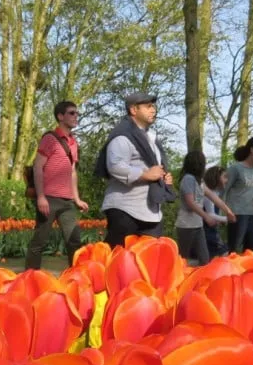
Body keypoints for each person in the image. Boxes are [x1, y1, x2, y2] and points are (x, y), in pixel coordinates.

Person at [96, 91, 176, 247]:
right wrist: (145, 174)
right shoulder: (122, 136)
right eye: (148, 106)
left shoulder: (151, 138)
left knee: (149, 261)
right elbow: (115, 166)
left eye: (153, 106)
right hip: (124, 209)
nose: (153, 110)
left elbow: (155, 167)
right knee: (118, 260)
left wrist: (163, 177)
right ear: (133, 110)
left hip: (151, 211)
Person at [25, 101, 89, 269]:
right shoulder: (50, 139)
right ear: (60, 116)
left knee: (74, 241)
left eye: (77, 113)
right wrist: (40, 197)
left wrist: (77, 198)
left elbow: (72, 172)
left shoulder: (74, 143)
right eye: (72, 113)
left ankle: (76, 279)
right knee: (39, 241)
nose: (76, 116)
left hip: (67, 202)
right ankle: (29, 280)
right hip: (49, 199)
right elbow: (38, 166)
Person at [175, 149, 235, 265]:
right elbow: (190, 202)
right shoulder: (188, 179)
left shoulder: (200, 182)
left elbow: (213, 197)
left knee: (205, 258)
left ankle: (204, 281)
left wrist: (228, 211)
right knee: (183, 258)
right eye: (203, 163)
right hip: (186, 225)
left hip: (198, 225)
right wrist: (206, 216)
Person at [224, 136, 253, 254]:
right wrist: (225, 213)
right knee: (234, 248)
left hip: (252, 213)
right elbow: (223, 191)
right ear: (252, 150)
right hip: (236, 214)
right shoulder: (235, 168)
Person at [202, 165, 229, 258]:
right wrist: (226, 219)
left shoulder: (216, 192)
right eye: (225, 177)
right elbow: (210, 214)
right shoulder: (209, 193)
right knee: (224, 252)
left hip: (212, 230)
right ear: (216, 178)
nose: (227, 180)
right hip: (207, 232)